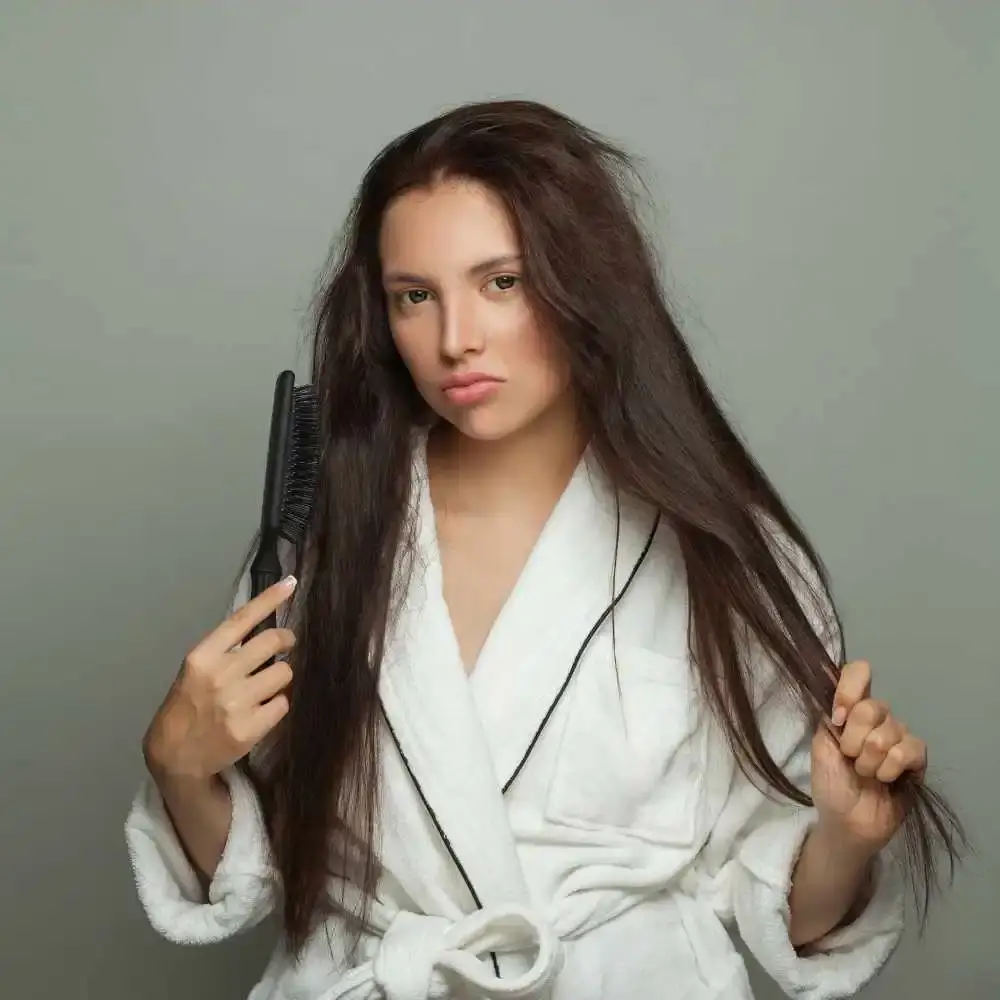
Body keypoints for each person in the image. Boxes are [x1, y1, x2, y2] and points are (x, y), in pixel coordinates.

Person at [125, 99, 963, 1000]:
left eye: (502, 283)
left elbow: (785, 914)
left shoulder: (723, 554)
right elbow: (261, 872)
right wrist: (179, 766)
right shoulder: (322, 541)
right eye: (415, 296)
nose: (456, 340)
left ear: (581, 286)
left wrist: (846, 837)